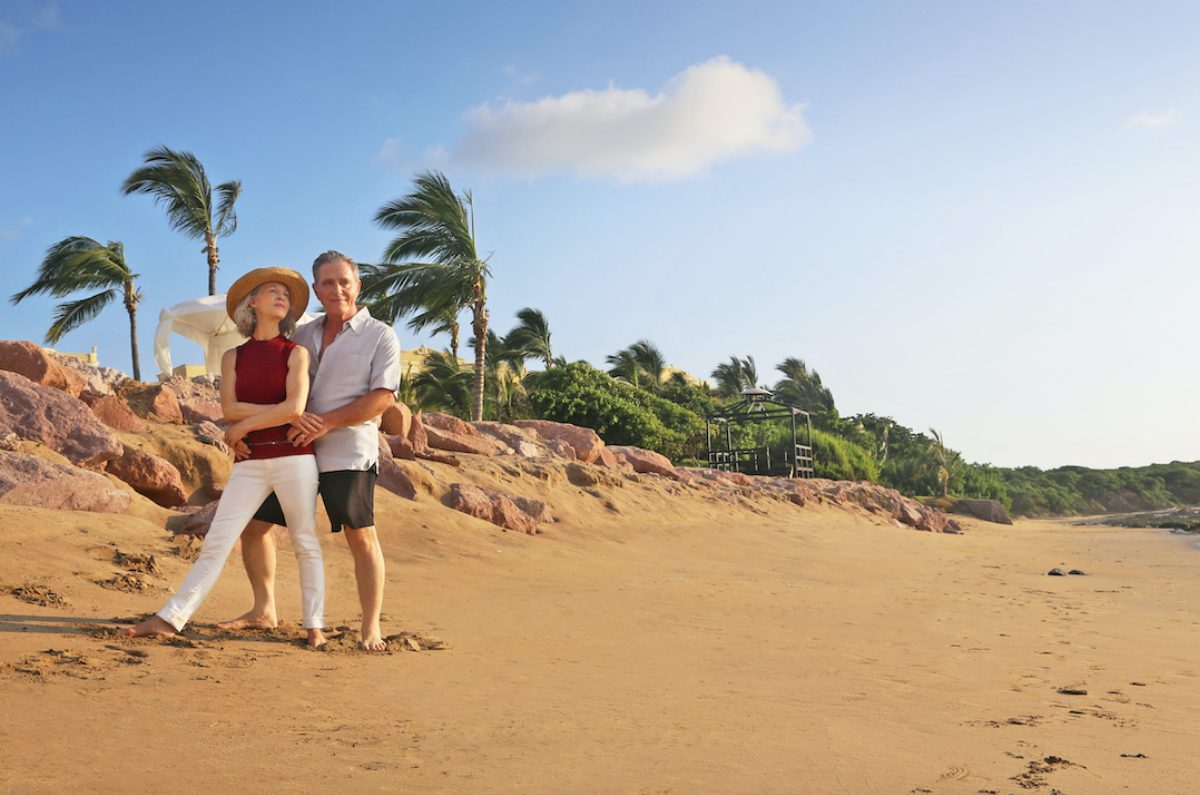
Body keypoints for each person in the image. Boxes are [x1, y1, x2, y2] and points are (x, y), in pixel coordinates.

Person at [124, 268, 327, 648]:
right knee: (218, 540)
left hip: (295, 459)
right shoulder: (233, 356)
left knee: (304, 539)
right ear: (252, 302)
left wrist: (242, 427)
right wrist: (254, 420)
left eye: (286, 293)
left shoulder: (296, 353)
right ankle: (171, 618)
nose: (282, 296)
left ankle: (314, 624)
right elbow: (231, 409)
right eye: (272, 290)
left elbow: (295, 406)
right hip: (249, 464)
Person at [218, 251, 400, 651]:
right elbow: (273, 387)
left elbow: (383, 399)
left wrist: (328, 422)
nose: (337, 289)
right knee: (255, 527)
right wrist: (245, 426)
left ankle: (371, 627)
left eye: (344, 281)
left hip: (347, 450)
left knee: (360, 535)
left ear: (358, 286)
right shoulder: (301, 335)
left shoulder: (380, 335)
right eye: (328, 283)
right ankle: (264, 609)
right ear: (317, 290)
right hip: (290, 448)